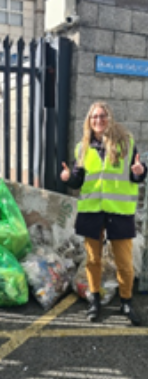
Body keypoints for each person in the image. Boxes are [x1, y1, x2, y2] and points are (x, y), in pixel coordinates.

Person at [60, 101, 145, 325]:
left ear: (110, 118)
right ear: (89, 121)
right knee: (92, 260)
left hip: (119, 211)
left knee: (124, 262)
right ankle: (94, 300)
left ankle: (126, 301)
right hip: (92, 210)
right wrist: (69, 177)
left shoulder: (125, 143)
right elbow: (79, 179)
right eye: (94, 117)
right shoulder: (83, 147)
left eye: (103, 116)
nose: (99, 120)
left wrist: (140, 171)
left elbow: (136, 173)